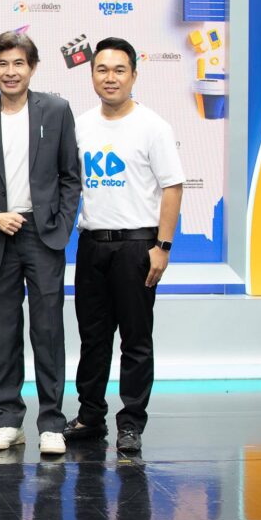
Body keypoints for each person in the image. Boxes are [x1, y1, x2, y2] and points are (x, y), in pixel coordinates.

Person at [0, 32, 80, 455]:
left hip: (43, 237)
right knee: (4, 332)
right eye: (3, 64)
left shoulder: (56, 110)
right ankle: (8, 418)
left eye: (19, 63)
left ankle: (52, 422)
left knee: (48, 330)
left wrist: (60, 227)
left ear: (32, 67)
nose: (11, 72)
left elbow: (70, 177)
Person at [63, 37, 184, 453]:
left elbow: (172, 187)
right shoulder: (80, 125)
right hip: (92, 245)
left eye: (119, 70)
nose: (110, 78)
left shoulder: (153, 126)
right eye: (102, 69)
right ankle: (90, 416)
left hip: (137, 247)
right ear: (92, 75)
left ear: (134, 75)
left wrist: (162, 246)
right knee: (92, 338)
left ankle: (131, 423)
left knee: (135, 339)